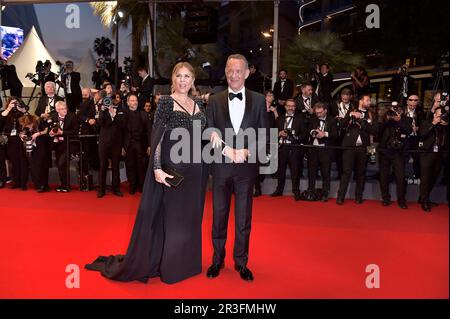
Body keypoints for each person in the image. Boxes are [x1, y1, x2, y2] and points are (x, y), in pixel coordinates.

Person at [86, 61, 207, 284]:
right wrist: (157, 168)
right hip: (172, 169)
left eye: (187, 76)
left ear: (193, 80)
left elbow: (202, 135)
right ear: (173, 79)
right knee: (171, 218)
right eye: (178, 76)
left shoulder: (198, 104)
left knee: (189, 218)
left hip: (195, 170)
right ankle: (171, 267)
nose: (182, 80)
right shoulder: (166, 103)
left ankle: (187, 263)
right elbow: (157, 137)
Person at [206, 54, 268, 281]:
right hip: (221, 167)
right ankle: (217, 260)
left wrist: (246, 151)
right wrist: (226, 150)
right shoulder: (214, 100)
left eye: (238, 71)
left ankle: (241, 263)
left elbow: (264, 135)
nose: (234, 75)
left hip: (245, 169)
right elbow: (208, 131)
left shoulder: (260, 100)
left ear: (247, 73)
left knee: (243, 219)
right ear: (225, 71)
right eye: (230, 70)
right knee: (219, 216)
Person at [336, 94, 378, 205]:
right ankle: (340, 196)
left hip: (364, 148)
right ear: (360, 101)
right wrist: (350, 115)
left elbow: (374, 131)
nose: (369, 102)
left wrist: (362, 120)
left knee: (361, 173)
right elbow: (341, 125)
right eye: (367, 100)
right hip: (349, 147)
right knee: (346, 173)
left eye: (370, 100)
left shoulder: (372, 114)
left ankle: (358, 196)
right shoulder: (351, 111)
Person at [378, 103, 412, 209]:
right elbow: (378, 132)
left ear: (402, 110)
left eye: (399, 109)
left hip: (398, 152)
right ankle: (385, 198)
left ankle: (401, 200)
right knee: (384, 176)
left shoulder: (406, 119)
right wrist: (389, 119)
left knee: (400, 177)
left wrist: (399, 120)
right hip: (384, 151)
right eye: (394, 109)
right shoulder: (385, 118)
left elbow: (408, 130)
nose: (396, 111)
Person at [270, 98, 303, 200]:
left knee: (295, 171)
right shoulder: (280, 119)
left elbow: (304, 134)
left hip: (294, 148)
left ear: (295, 107)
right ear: (285, 107)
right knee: (281, 170)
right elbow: (272, 132)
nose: (290, 108)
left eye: (292, 106)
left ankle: (296, 191)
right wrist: (279, 133)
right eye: (288, 106)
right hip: (282, 148)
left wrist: (294, 137)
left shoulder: (300, 119)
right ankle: (279, 190)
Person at [96, 90, 126, 198]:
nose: (110, 101)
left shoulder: (121, 110)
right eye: (108, 100)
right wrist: (105, 111)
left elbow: (123, 125)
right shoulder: (103, 110)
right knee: (103, 165)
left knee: (115, 166)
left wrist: (115, 115)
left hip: (116, 143)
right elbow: (100, 123)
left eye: (112, 99)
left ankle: (116, 189)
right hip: (104, 142)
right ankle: (101, 190)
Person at [418, 107, 448, 212]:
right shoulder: (426, 123)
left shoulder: (444, 125)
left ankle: (424, 197)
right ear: (434, 114)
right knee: (425, 179)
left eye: (442, 115)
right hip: (426, 154)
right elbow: (421, 135)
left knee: (433, 178)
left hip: (439, 155)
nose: (441, 117)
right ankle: (424, 202)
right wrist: (434, 124)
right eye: (439, 115)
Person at [306, 102, 338, 202]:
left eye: (320, 112)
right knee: (312, 172)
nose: (318, 114)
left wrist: (324, 134)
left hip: (326, 151)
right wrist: (313, 133)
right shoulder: (313, 118)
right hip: (314, 150)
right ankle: (310, 191)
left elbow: (336, 135)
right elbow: (308, 130)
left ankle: (325, 193)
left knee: (326, 173)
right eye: (317, 113)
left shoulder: (332, 120)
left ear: (325, 110)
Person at [122, 94, 152, 194]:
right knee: (130, 166)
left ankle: (142, 186)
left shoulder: (144, 114)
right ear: (128, 102)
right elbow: (120, 132)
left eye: (135, 101)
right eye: (132, 101)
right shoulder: (123, 115)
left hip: (141, 144)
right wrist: (122, 146)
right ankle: (132, 186)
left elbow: (149, 131)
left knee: (141, 166)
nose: (134, 102)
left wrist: (150, 145)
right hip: (128, 144)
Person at [49, 101, 78, 192]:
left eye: (65, 108)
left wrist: (63, 133)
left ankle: (66, 185)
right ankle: (64, 185)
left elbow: (75, 132)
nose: (65, 110)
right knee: (60, 165)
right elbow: (49, 129)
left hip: (69, 144)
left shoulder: (72, 116)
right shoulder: (53, 117)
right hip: (57, 145)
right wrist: (51, 133)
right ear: (57, 110)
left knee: (62, 163)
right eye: (62, 109)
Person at [1, 97, 29, 190]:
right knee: (14, 161)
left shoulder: (22, 113)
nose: (15, 105)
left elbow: (29, 123)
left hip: (20, 139)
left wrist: (23, 111)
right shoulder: (6, 113)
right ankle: (16, 181)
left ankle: (23, 183)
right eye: (13, 103)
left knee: (23, 161)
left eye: (16, 103)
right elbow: (1, 121)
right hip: (10, 139)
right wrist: (8, 108)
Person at [254, 90, 278, 196]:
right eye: (268, 95)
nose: (270, 97)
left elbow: (278, 122)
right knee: (257, 163)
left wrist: (275, 112)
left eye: (272, 95)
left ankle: (261, 182)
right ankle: (257, 187)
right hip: (259, 137)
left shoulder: (274, 110)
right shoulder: (258, 108)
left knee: (265, 161)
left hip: (271, 137)